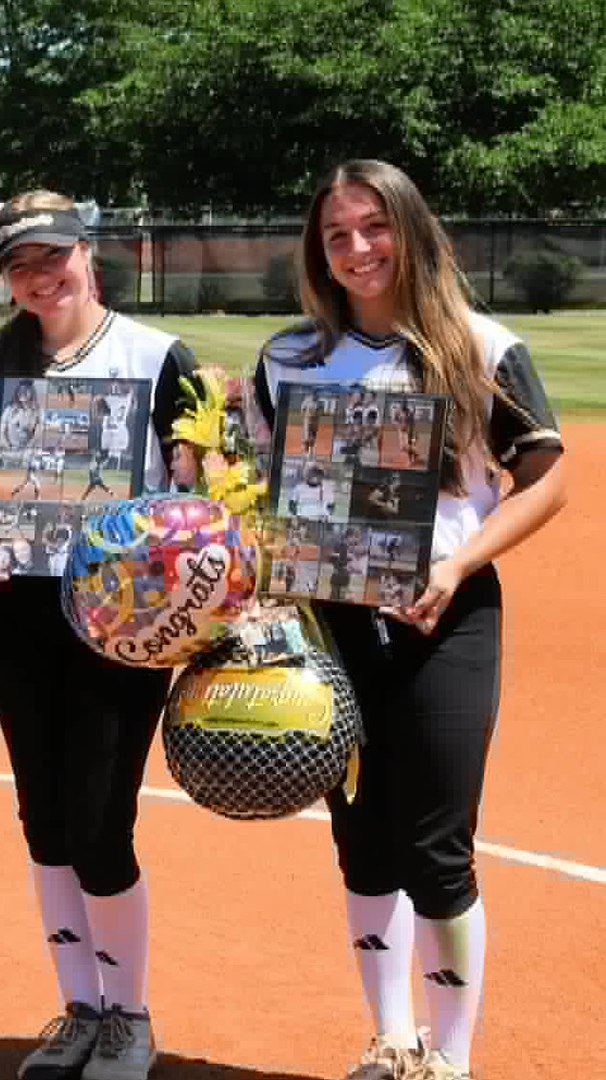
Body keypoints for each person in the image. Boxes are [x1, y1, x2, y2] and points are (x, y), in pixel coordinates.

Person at [252, 159, 565, 1080]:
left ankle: (450, 1060)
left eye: (373, 227)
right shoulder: (288, 358)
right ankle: (390, 1040)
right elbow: (271, 492)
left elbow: (547, 479)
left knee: (435, 845)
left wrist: (459, 559)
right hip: (332, 626)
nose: (356, 249)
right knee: (361, 840)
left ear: (411, 229)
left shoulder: (478, 345)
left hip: (446, 619)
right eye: (336, 234)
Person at [0, 190, 198, 1080]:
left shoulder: (159, 357)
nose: (40, 276)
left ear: (87, 253)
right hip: (15, 612)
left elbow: (198, 492)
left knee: (100, 822)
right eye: (20, 264)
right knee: (44, 818)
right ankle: (80, 1007)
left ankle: (128, 1014)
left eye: (53, 256)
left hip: (120, 619)